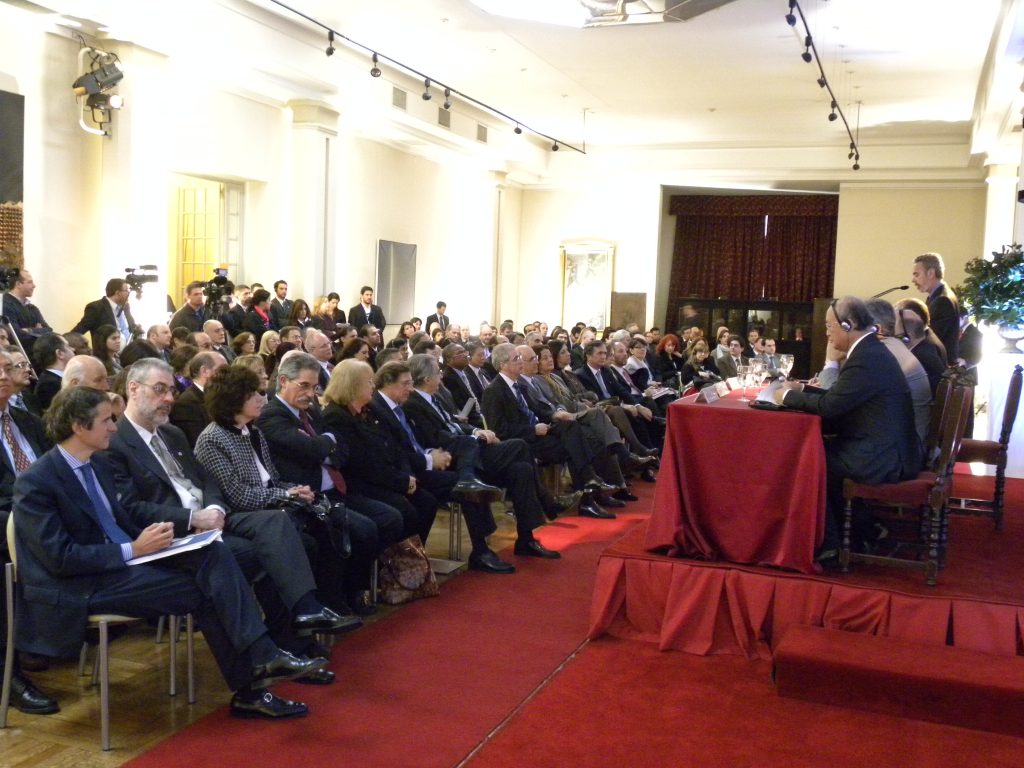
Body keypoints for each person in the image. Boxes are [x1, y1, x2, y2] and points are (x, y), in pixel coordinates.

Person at [14, 386, 328, 719]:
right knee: (209, 587)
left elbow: (119, 522)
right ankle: (257, 675)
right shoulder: (37, 481)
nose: (114, 428)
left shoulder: (98, 465)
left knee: (213, 553)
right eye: (106, 420)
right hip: (81, 585)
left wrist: (159, 540)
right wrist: (133, 548)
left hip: (123, 563)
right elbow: (60, 558)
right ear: (79, 426)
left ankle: (262, 663)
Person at [104, 359, 356, 652]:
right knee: (275, 537)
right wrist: (194, 518)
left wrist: (215, 510)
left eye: (171, 390)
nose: (170, 398)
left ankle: (296, 632)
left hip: (215, 519)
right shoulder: (117, 442)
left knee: (293, 535)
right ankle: (286, 636)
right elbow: (132, 508)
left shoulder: (173, 434)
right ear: (133, 389)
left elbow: (205, 481)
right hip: (174, 534)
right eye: (160, 389)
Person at [776, 296, 923, 557]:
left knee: (812, 459)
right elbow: (841, 397)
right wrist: (804, 390)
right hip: (889, 448)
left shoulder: (866, 358)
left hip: (886, 457)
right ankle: (861, 531)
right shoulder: (870, 351)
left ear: (849, 324)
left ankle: (831, 544)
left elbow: (831, 406)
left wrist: (786, 396)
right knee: (822, 451)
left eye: (829, 326)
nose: (827, 333)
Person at [257, 353, 404, 611]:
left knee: (390, 518)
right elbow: (312, 448)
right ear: (283, 381)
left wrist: (323, 444)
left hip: (335, 489)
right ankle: (340, 596)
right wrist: (325, 443)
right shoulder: (272, 416)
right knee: (362, 530)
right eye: (303, 385)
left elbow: (342, 448)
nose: (310, 394)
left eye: (314, 387)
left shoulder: (312, 410)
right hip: (307, 496)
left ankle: (352, 587)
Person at [403, 353, 558, 566]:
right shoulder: (414, 404)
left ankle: (526, 539)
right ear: (427, 378)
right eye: (438, 373)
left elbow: (454, 424)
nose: (441, 377)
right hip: (451, 458)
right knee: (519, 446)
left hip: (468, 451)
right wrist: (475, 437)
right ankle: (543, 500)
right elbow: (436, 438)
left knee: (521, 469)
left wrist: (477, 430)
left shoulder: (435, 398)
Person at [482, 343, 617, 518]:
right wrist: (532, 430)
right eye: (516, 359)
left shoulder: (518, 385)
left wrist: (555, 415)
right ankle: (588, 491)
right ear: (503, 364)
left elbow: (537, 410)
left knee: (571, 427)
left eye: (520, 358)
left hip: (541, 434)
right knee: (576, 445)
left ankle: (589, 487)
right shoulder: (493, 390)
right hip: (523, 442)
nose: (521, 362)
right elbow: (499, 429)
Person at [0, 349, 57, 715]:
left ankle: (53, 632)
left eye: (7, 367)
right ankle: (8, 675)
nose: (4, 375)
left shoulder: (26, 420)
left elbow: (54, 469)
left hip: (41, 513)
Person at [170, 351, 225, 447]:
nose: (228, 375)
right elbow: (199, 444)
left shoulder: (222, 396)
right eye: (223, 371)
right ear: (204, 371)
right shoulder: (186, 404)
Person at [911, 252, 959, 361]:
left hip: (939, 363)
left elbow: (931, 339)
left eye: (916, 275)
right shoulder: (937, 296)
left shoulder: (942, 300)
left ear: (931, 273)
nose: (913, 280)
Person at [70, 278, 140, 346]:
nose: (128, 294)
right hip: (106, 352)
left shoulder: (126, 307)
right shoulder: (96, 308)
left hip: (129, 351)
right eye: (127, 291)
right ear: (118, 293)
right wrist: (65, 345)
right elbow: (79, 330)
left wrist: (136, 329)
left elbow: (129, 328)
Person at [3, 269, 51, 353]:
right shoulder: (5, 304)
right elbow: (15, 335)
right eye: (30, 282)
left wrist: (29, 330)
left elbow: (49, 330)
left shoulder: (32, 308)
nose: (34, 286)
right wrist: (38, 331)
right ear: (18, 284)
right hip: (18, 354)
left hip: (34, 353)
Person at [32, 333, 73, 412]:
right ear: (60, 354)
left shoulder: (54, 379)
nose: (73, 349)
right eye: (68, 346)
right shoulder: (48, 386)